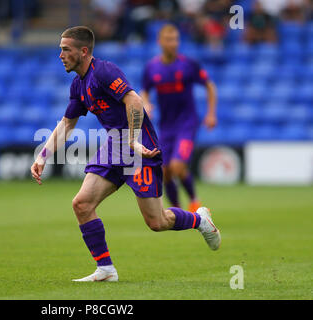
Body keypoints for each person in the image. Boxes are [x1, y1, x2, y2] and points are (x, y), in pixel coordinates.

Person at [30, 26, 221, 282]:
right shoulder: (78, 85)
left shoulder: (104, 71)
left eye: (65, 49)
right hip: (115, 145)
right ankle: (106, 269)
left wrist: (132, 139)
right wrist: (42, 156)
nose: (61, 55)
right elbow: (67, 123)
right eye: (60, 49)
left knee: (157, 221)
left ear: (83, 51)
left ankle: (200, 220)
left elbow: (134, 101)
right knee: (82, 204)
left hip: (139, 145)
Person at [141, 23, 217, 213]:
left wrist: (211, 113)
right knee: (165, 172)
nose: (173, 43)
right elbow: (144, 91)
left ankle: (194, 201)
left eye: (175, 39)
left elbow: (209, 86)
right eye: (169, 40)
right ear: (160, 42)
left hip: (187, 123)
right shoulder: (152, 67)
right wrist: (146, 103)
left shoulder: (188, 65)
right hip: (166, 126)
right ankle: (177, 211)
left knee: (177, 166)